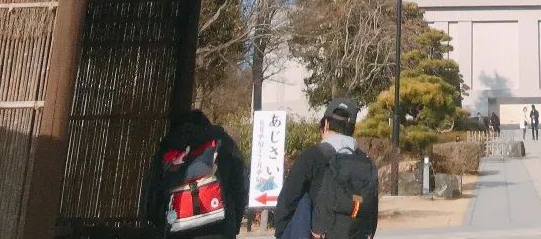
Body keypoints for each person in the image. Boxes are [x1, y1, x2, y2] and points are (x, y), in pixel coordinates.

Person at [273, 99, 378, 239]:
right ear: (352, 128)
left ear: (326, 124)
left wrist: (281, 233)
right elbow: (372, 210)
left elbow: (288, 201)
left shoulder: (312, 156)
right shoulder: (365, 161)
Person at [143, 109, 247, 238]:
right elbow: (240, 186)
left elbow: (152, 192)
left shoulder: (168, 147)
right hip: (220, 226)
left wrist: (160, 222)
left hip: (177, 226)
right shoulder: (223, 142)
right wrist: (234, 223)